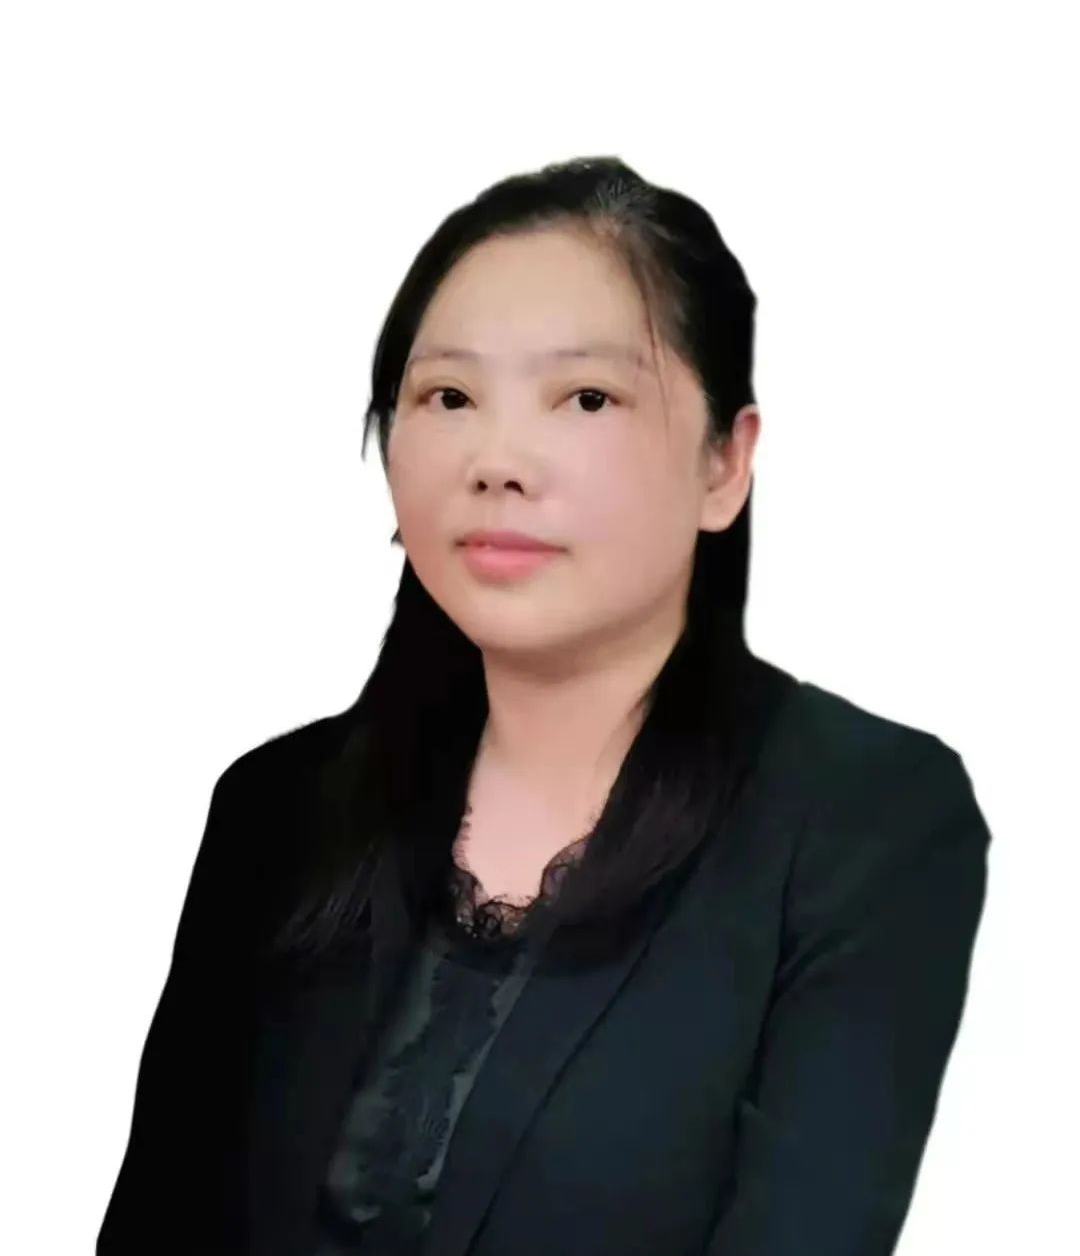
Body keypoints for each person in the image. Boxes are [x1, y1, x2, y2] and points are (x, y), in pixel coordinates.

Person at [96, 156, 991, 1256]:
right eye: (449, 397)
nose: (497, 461)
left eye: (586, 397)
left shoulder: (865, 819)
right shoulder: (275, 807)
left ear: (725, 463)